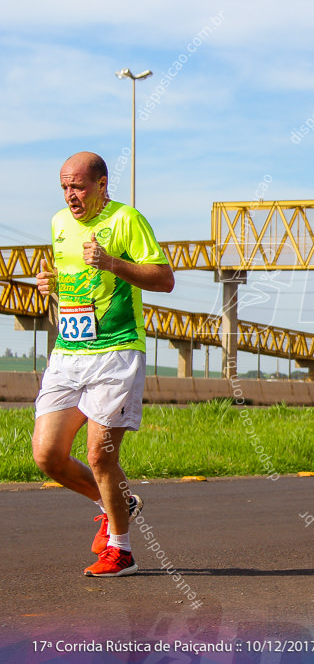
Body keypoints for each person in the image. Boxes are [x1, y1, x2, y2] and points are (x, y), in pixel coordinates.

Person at [33, 151, 175, 577]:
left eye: (77, 185)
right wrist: (51, 284)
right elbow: (73, 279)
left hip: (116, 353)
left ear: (102, 184)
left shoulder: (127, 220)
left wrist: (112, 262)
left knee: (99, 454)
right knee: (48, 455)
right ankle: (116, 503)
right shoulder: (59, 223)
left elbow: (165, 279)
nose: (70, 195)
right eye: (64, 186)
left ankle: (122, 550)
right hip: (70, 352)